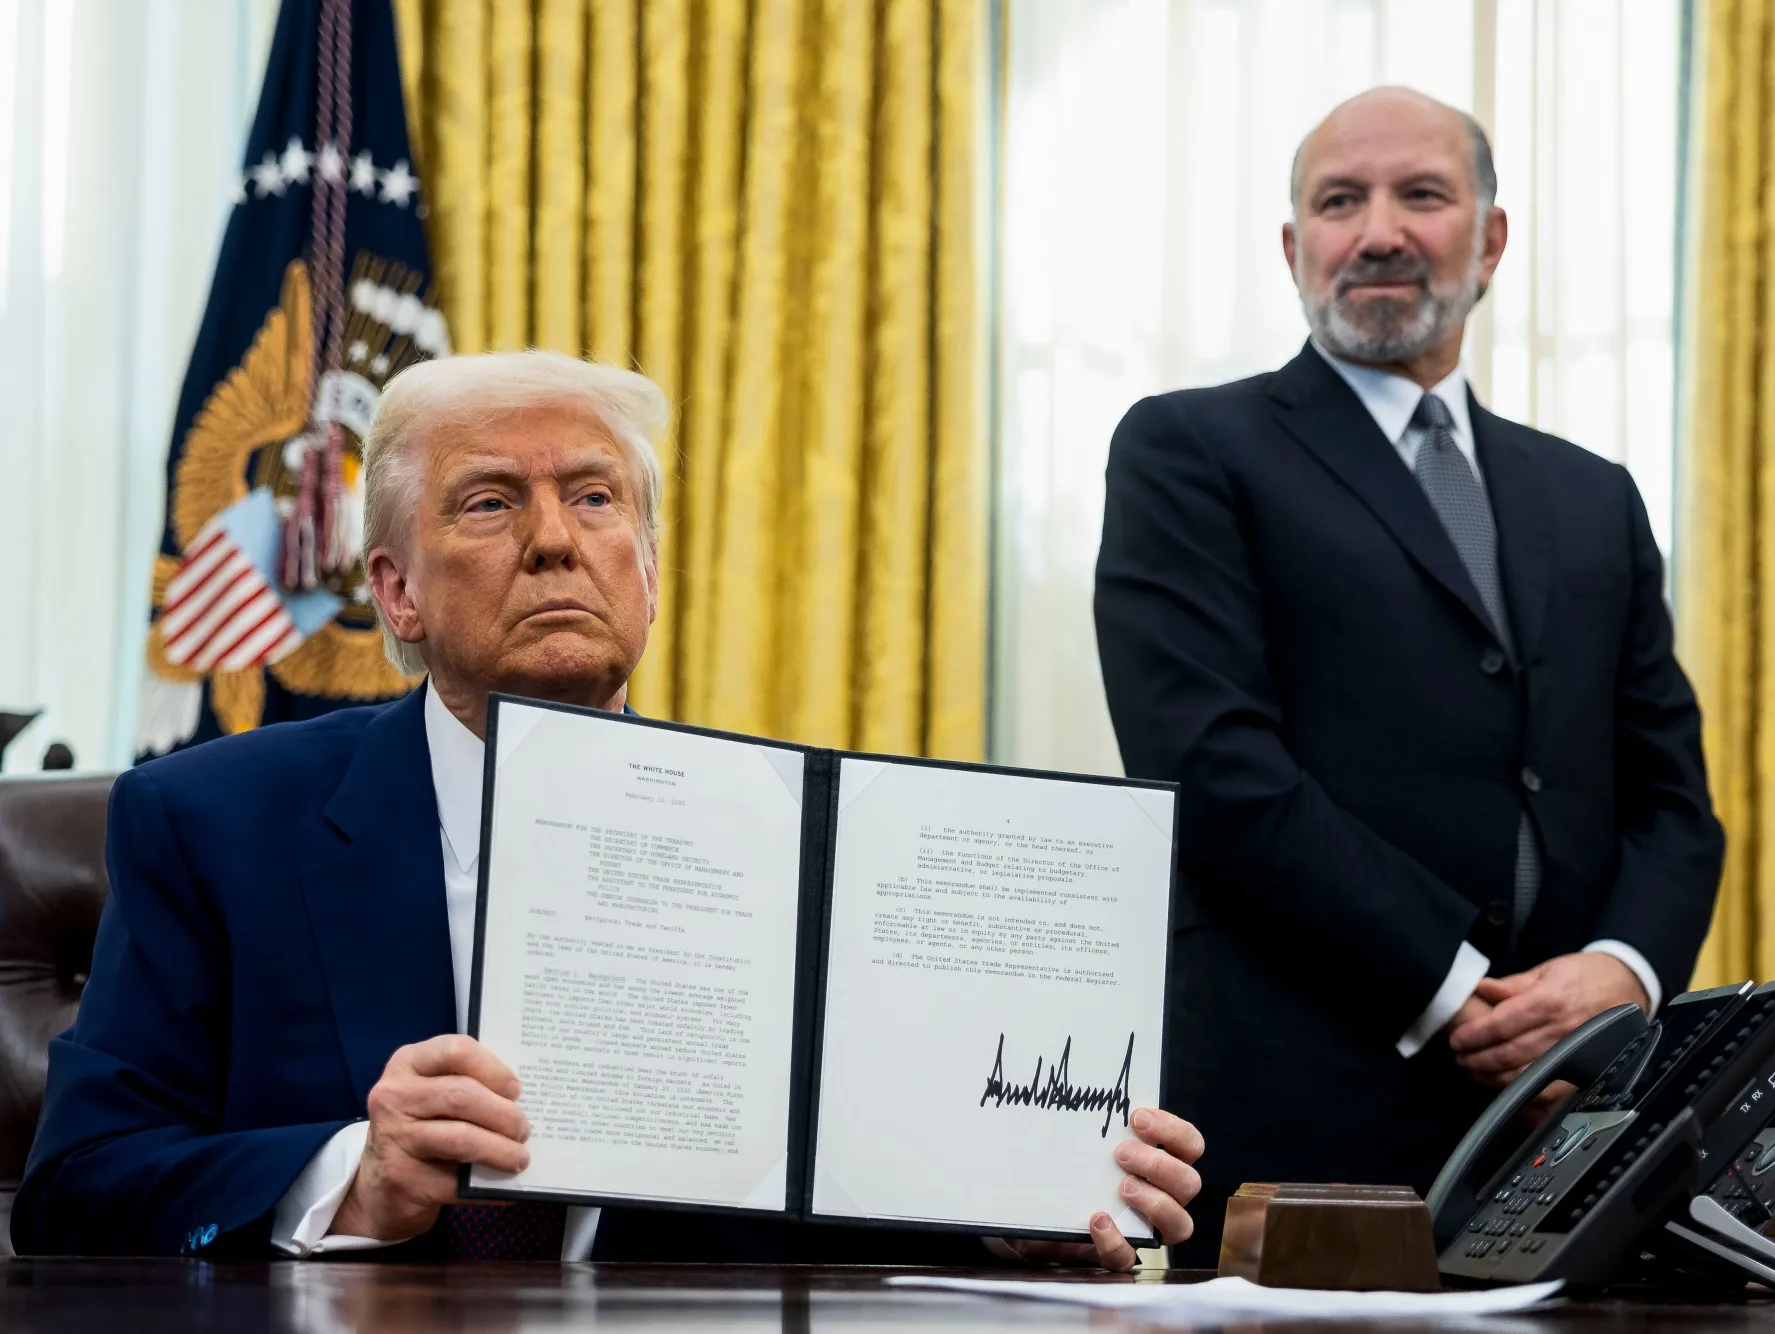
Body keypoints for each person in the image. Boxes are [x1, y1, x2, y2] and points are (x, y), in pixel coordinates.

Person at [18, 351, 1204, 1263]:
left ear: (648, 566)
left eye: (594, 500)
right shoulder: (212, 820)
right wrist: (351, 1176)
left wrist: (1006, 1209)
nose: (552, 541)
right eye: (487, 504)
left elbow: (818, 1204)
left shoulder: (812, 842)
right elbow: (78, 1184)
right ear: (396, 591)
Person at [1093, 87, 1723, 1265]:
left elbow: (1672, 805)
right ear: (1294, 249)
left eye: (1419, 195)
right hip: (1299, 1117)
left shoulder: (1593, 496)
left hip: (1574, 1126)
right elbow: (1212, 767)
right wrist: (1461, 992)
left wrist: (1617, 975)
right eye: (1339, 201)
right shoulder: (1186, 449)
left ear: (1486, 238)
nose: (1377, 230)